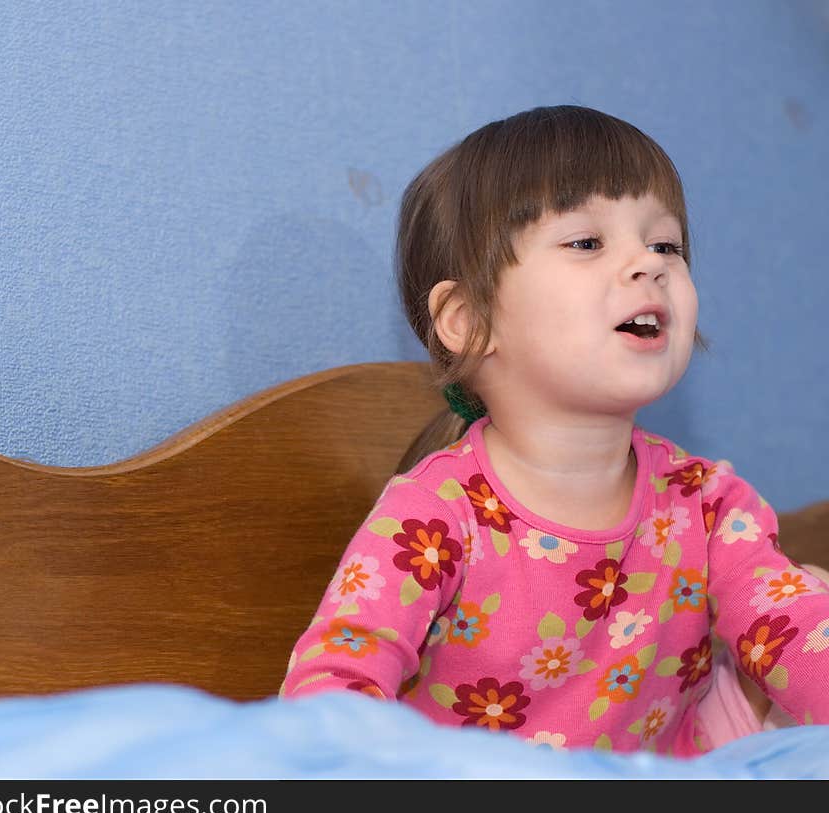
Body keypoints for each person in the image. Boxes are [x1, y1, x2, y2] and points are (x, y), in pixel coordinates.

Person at [280, 105, 829, 756]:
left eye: (666, 245)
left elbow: (792, 627)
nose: (648, 265)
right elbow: (338, 679)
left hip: (676, 764)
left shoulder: (706, 501)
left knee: (808, 594)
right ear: (469, 320)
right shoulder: (432, 517)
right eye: (587, 242)